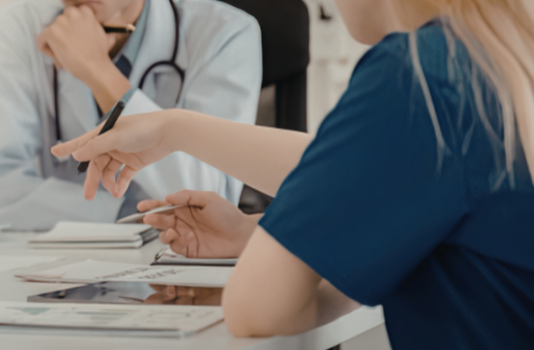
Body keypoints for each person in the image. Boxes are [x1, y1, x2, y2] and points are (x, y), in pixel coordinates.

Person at [52, 0, 534, 347]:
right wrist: (179, 132)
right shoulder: (495, 58)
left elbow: (257, 308)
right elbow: (370, 173)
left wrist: (302, 240)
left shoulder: (415, 76)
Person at [0, 0, 262, 230]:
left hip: (180, 265)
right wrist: (126, 211)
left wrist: (98, 71)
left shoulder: (226, 33)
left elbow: (211, 202)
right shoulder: (21, 28)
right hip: (63, 269)